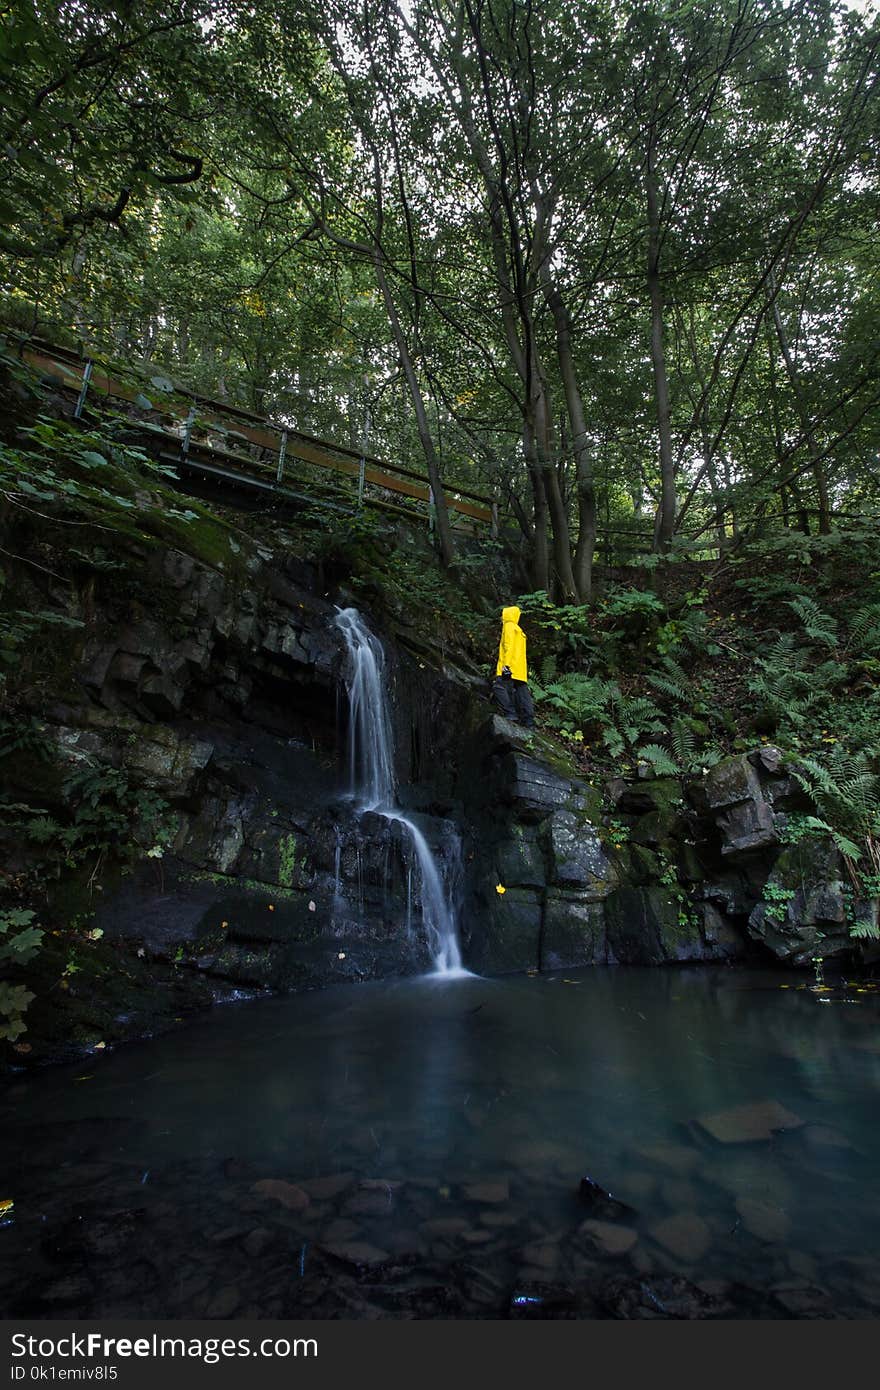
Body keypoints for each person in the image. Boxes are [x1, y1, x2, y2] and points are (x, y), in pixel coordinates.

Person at [492, 604, 535, 727]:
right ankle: (529, 721)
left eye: (503, 614)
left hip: (509, 666)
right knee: (522, 693)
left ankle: (511, 713)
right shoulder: (519, 630)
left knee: (498, 687)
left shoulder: (509, 626)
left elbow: (508, 647)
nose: (502, 617)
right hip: (520, 670)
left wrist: (506, 666)